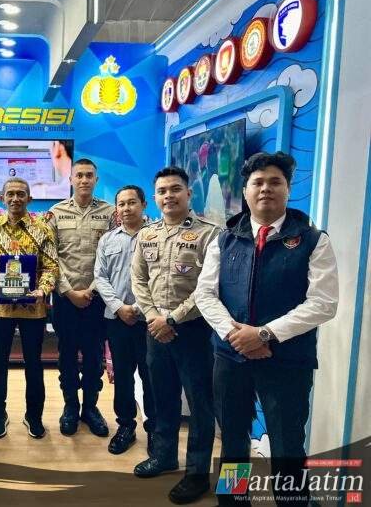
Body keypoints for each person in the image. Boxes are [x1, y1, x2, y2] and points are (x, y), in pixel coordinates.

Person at [195, 152, 338, 507]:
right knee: (233, 441)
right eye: (257, 182)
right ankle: (234, 500)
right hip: (231, 359)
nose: (265, 189)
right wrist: (236, 336)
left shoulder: (313, 240)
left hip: (287, 361)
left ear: (288, 189)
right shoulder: (224, 239)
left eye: (275, 182)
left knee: (287, 446)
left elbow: (323, 303)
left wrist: (263, 334)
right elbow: (205, 294)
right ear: (245, 191)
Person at [131, 166, 219, 504]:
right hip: (155, 330)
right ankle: (164, 455)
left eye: (175, 189)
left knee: (199, 403)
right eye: (162, 191)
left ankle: (197, 472)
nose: (169, 195)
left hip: (193, 330)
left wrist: (173, 319)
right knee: (162, 396)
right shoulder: (147, 235)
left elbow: (208, 287)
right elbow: (138, 279)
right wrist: (155, 317)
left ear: (188, 193)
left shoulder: (209, 234)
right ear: (155, 197)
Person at [0, 177, 59, 439]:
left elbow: (51, 267)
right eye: (10, 194)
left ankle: (34, 417)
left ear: (29, 198)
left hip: (33, 308)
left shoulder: (42, 229)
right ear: (2, 198)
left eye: (21, 194)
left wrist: (43, 290)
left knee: (34, 364)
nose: (15, 198)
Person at [46, 158, 114, 437]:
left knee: (94, 357)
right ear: (71, 179)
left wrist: (93, 289)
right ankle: (70, 407)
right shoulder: (56, 212)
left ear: (96, 179)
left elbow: (111, 257)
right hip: (65, 299)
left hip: (97, 299)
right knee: (67, 356)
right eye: (79, 175)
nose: (84, 180)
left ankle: (90, 408)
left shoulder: (110, 213)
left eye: (89, 175)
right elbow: (50, 256)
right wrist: (68, 291)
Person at [94, 185, 156, 456]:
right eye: (121, 204)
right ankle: (125, 426)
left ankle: (155, 430)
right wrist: (119, 307)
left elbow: (161, 278)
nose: (126, 208)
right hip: (117, 319)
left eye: (132, 202)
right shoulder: (108, 240)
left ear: (143, 204)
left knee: (151, 375)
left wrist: (138, 308)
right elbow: (100, 277)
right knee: (122, 375)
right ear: (116, 209)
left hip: (149, 321)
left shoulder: (156, 236)